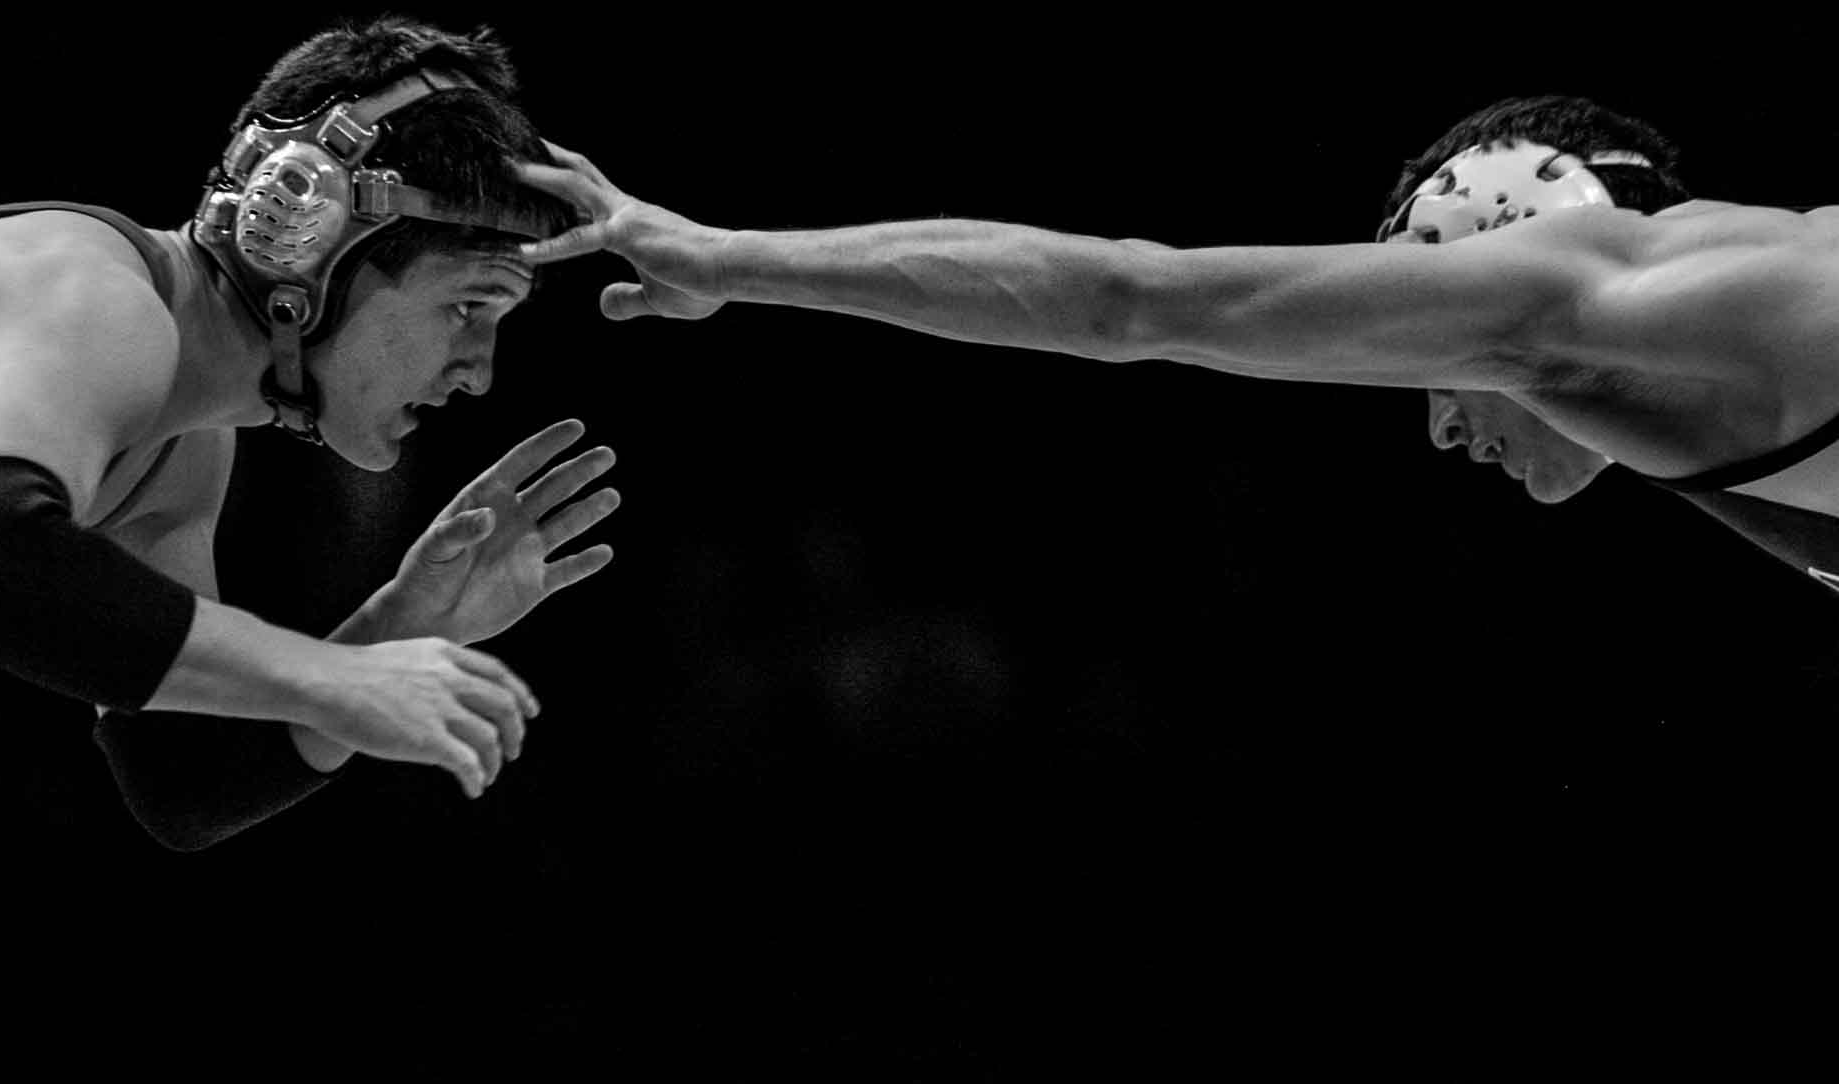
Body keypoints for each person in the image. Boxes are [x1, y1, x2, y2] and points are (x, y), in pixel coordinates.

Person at [513, 94, 1839, 596]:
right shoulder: (1700, 366)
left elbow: (1130, 302)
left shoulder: (1589, 303)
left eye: (1444, 362)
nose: (1438, 422)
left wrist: (725, 258)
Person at [0, 18, 622, 853]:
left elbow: (183, 781)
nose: (479, 371)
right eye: (466, 305)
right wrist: (333, 678)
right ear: (305, 238)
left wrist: (395, 629)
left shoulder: (179, 453)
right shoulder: (95, 298)